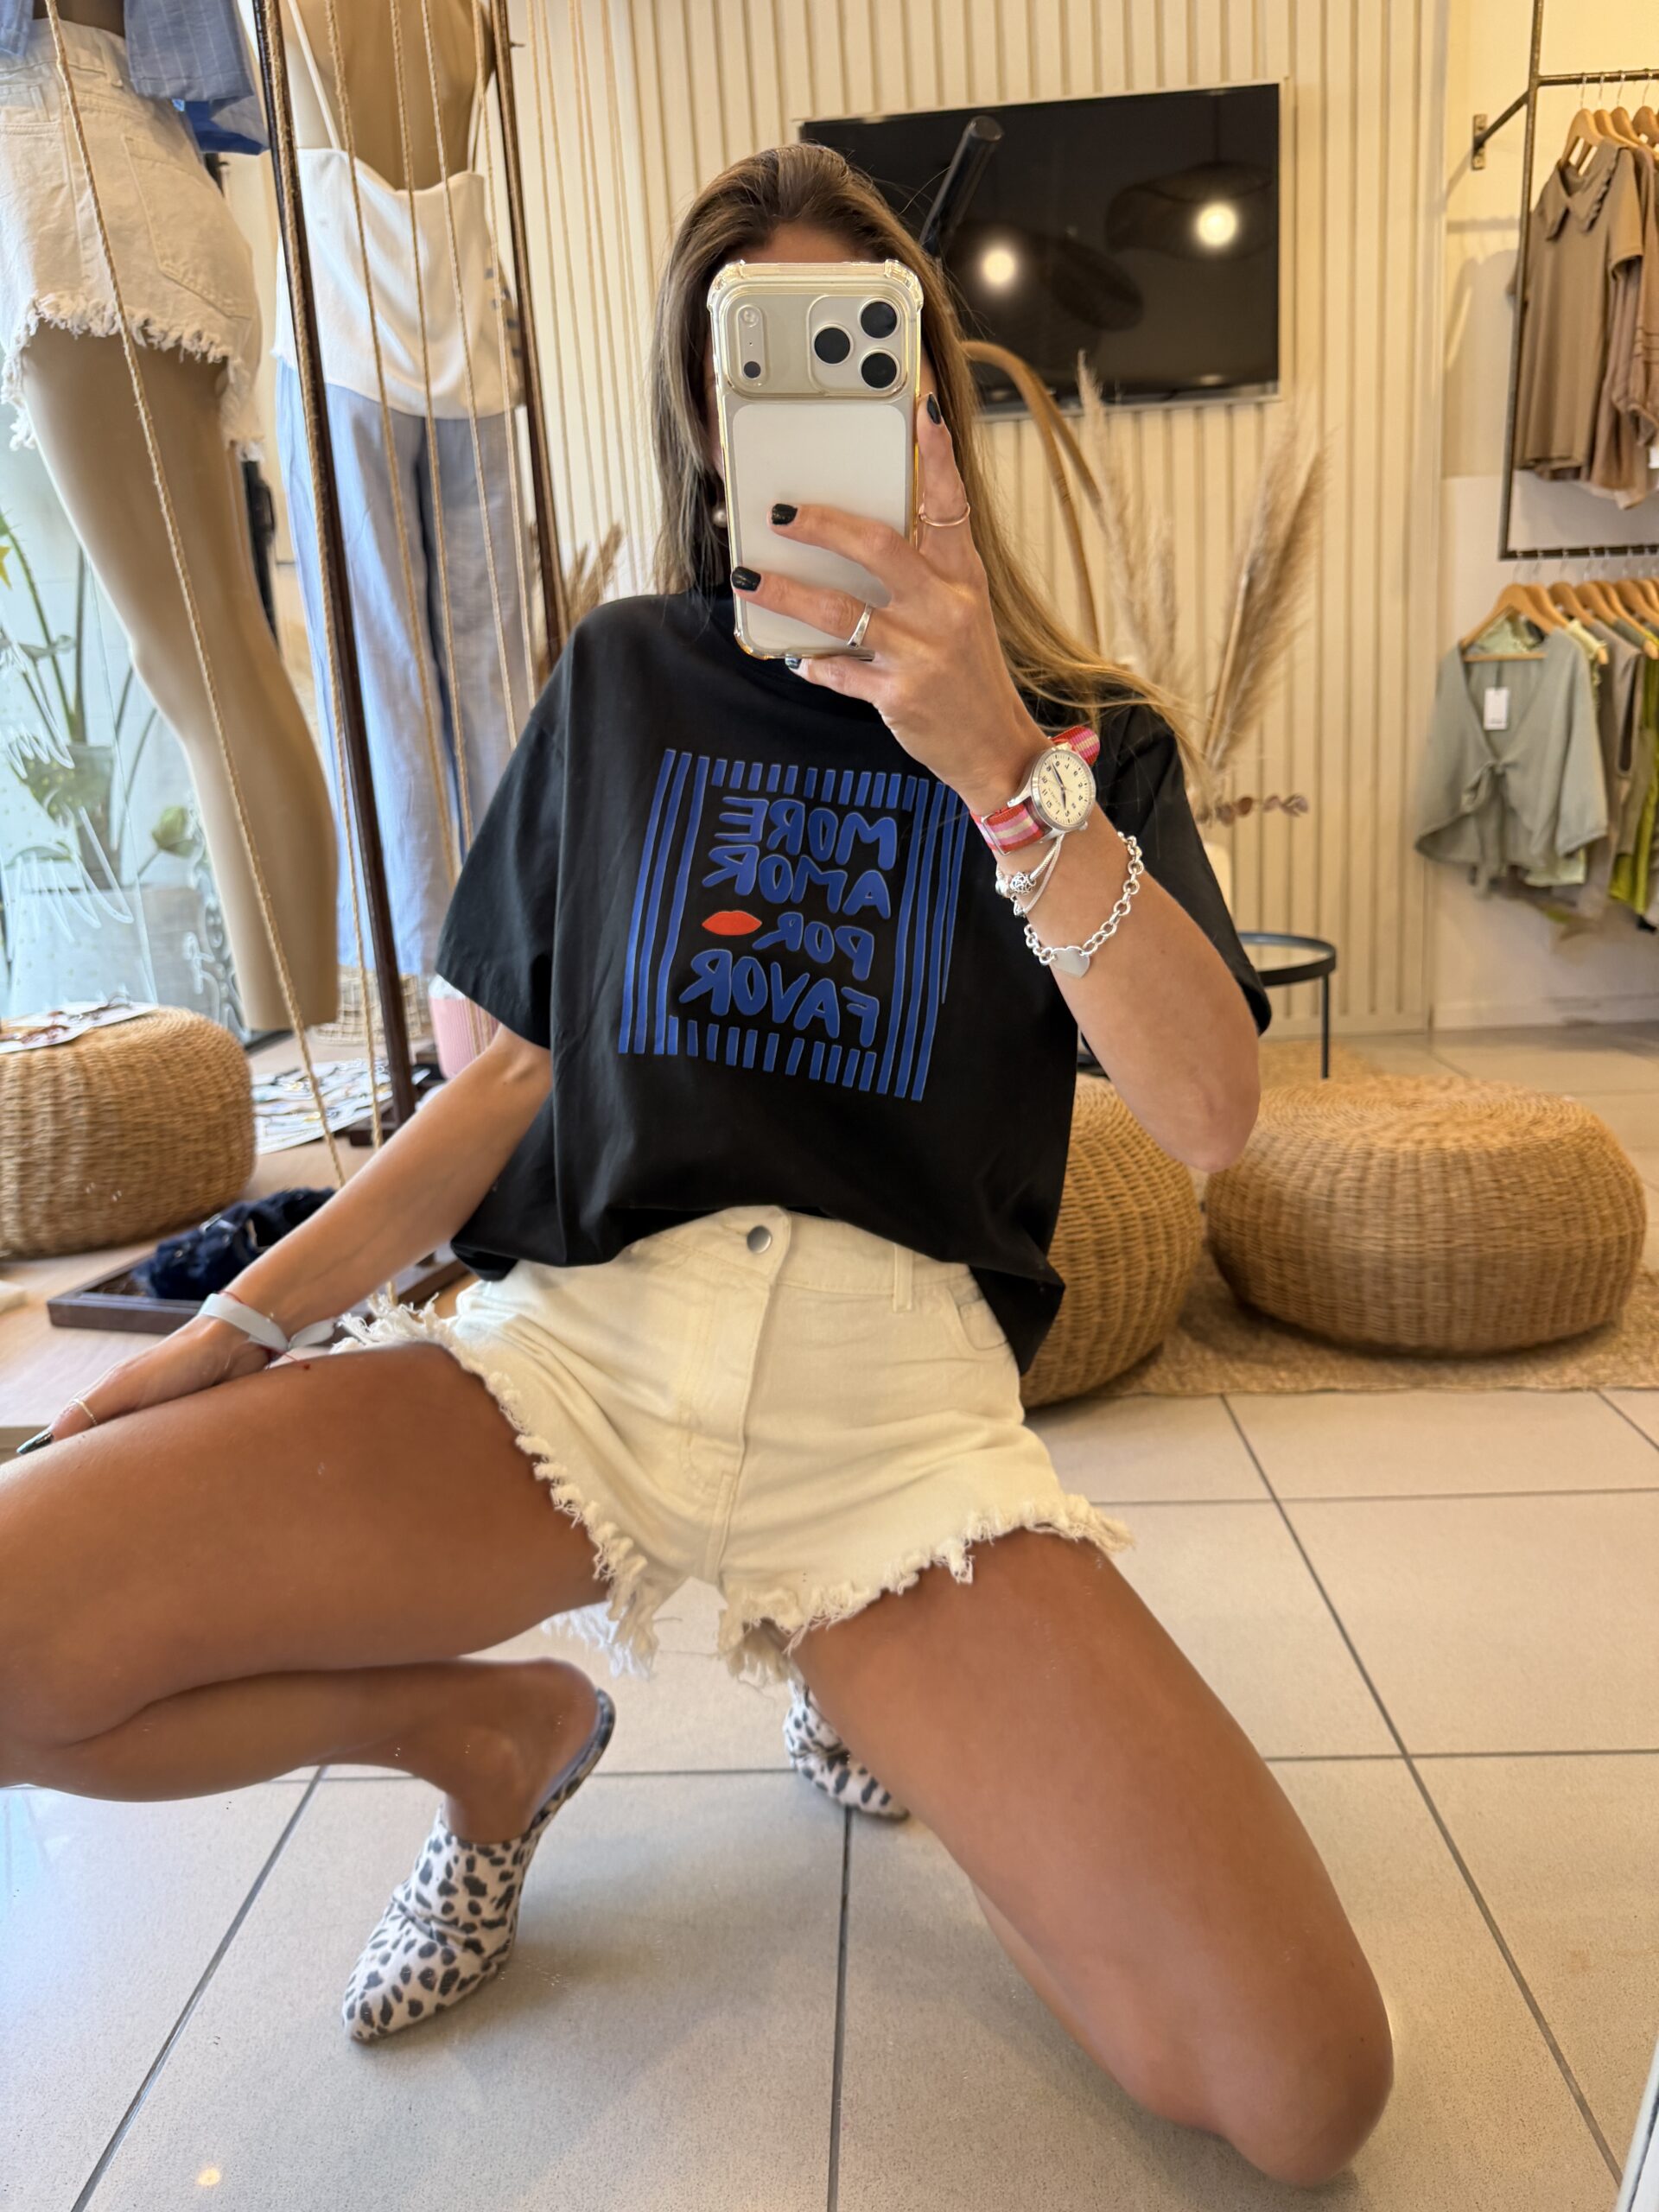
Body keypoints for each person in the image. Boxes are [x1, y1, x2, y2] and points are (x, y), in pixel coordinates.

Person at [0, 143, 1392, 2186]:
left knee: (1301, 2086)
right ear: (708, 424)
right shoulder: (626, 681)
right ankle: (491, 1740)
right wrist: (236, 1325)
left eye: (850, 353)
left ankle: (865, 1677)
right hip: (586, 1369)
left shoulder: (1082, 734)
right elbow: (495, 1091)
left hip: (894, 1434)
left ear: (928, 403)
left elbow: (1210, 1113)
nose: (800, 414)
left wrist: (999, 762)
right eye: (755, 369)